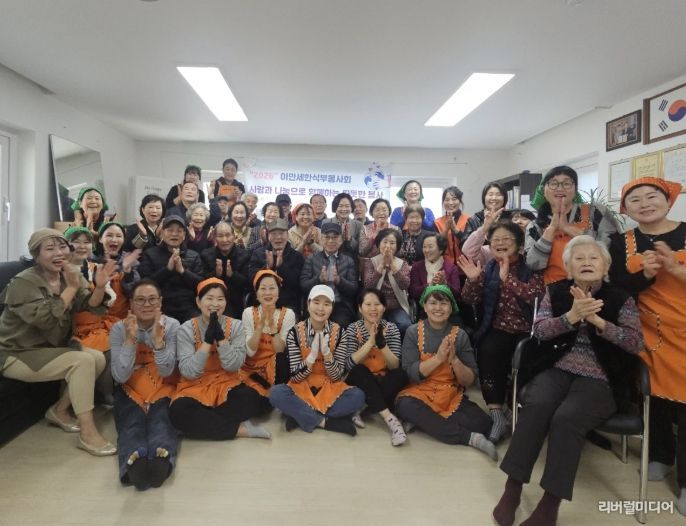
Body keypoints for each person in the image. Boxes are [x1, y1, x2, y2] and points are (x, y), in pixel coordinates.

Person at [493, 236, 643, 526]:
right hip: (556, 368)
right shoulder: (556, 292)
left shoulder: (621, 298)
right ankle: (512, 488)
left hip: (602, 377)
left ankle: (550, 505)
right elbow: (539, 332)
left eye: (594, 258)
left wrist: (600, 322)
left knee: (567, 418)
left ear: (606, 266)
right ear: (569, 267)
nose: (586, 262)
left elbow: (635, 343)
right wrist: (571, 317)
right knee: (537, 405)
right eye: (579, 258)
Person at [0, 229, 117, 456]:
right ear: (36, 255)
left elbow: (89, 305)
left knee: (97, 358)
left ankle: (59, 410)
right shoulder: (23, 283)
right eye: (50, 249)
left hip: (50, 348)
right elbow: (45, 320)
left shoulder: (69, 274)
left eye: (62, 247)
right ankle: (88, 432)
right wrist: (71, 288)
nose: (59, 253)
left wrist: (100, 286)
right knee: (83, 361)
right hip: (16, 351)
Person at [609, 176, 686, 516]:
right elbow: (618, 286)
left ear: (668, 200)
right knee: (653, 396)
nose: (644, 203)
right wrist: (646, 275)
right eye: (635, 199)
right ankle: (660, 454)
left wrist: (676, 271)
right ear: (626, 209)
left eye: (652, 196)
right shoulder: (620, 241)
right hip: (648, 329)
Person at [457, 220, 544, 444]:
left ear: (519, 244)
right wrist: (473, 280)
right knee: (487, 352)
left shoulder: (531, 268)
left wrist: (509, 280)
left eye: (506, 239)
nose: (500, 243)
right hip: (497, 327)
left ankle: (518, 413)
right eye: (495, 239)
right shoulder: (490, 267)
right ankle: (497, 416)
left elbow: (537, 297)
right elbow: (469, 299)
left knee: (526, 363)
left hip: (527, 331)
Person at [395, 285, 495, 459]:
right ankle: (470, 438)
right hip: (420, 392)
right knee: (404, 405)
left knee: (483, 423)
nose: (438, 308)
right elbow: (410, 373)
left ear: (452, 308)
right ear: (425, 307)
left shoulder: (460, 335)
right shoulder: (413, 332)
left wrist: (454, 360)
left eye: (444, 303)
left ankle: (424, 422)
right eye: (433, 303)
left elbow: (469, 380)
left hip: (449, 394)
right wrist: (438, 359)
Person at [169, 278, 270, 440]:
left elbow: (233, 366)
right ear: (198, 302)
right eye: (209, 298)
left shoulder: (236, 326)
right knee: (178, 412)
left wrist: (221, 340)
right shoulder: (185, 329)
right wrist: (207, 342)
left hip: (227, 382)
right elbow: (189, 372)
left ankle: (202, 424)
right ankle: (239, 429)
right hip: (195, 385)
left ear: (226, 302)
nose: (215, 304)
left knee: (250, 399)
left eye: (220, 299)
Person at [109, 279, 180, 490]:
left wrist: (158, 342)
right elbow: (120, 375)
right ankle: (133, 462)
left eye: (152, 299)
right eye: (140, 300)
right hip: (129, 387)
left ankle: (161, 459)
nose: (146, 304)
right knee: (131, 420)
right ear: (131, 303)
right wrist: (130, 340)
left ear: (160, 302)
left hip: (163, 385)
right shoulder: (119, 328)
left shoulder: (172, 326)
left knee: (162, 419)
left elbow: (167, 370)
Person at [269, 285, 365, 435]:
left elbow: (337, 377)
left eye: (326, 304)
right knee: (276, 393)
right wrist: (311, 357)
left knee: (358, 396)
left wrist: (327, 355)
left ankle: (300, 415)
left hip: (329, 387)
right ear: (308, 304)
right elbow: (295, 376)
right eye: (316, 302)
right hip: (302, 386)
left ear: (332, 307)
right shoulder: (295, 332)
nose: (321, 308)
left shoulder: (340, 333)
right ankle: (325, 422)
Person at [72, 222, 141, 404]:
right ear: (100, 239)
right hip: (89, 320)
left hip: (115, 317)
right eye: (109, 235)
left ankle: (117, 387)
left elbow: (134, 293)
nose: (114, 239)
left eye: (118, 236)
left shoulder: (130, 262)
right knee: (108, 345)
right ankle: (103, 391)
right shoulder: (88, 262)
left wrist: (127, 272)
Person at [526, 166, 620, 285]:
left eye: (567, 183)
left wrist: (567, 228)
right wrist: (550, 230)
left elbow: (613, 249)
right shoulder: (535, 225)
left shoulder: (595, 212)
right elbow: (533, 264)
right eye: (553, 184)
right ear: (543, 191)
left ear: (575, 190)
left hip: (596, 287)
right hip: (554, 289)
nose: (560, 188)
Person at [343, 289, 408, 446]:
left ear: (384, 307)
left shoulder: (392, 328)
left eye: (377, 304)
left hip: (382, 379)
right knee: (358, 371)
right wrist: (370, 343)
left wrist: (382, 344)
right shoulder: (352, 329)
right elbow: (349, 365)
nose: (373, 309)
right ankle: (391, 421)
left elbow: (394, 366)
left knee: (400, 375)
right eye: (368, 304)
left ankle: (362, 407)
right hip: (360, 380)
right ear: (360, 308)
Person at [241, 270, 296, 411]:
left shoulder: (288, 314)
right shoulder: (248, 313)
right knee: (258, 406)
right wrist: (259, 327)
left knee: (283, 359)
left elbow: (280, 351)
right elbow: (250, 352)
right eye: (263, 289)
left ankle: (277, 395)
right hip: (252, 366)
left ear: (278, 292)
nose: (267, 293)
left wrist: (273, 328)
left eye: (272, 288)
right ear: (256, 293)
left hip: (274, 365)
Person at [138, 215, 204, 323]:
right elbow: (145, 284)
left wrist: (183, 271)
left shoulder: (194, 255)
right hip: (160, 307)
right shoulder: (150, 254)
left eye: (179, 231)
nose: (174, 234)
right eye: (170, 230)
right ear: (162, 233)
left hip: (189, 307)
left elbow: (201, 285)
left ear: (184, 235)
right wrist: (167, 269)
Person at [300, 222, 358, 327]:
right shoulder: (312, 259)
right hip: (316, 303)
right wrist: (318, 280)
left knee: (341, 325)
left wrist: (339, 281)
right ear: (321, 239)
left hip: (339, 305)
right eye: (327, 237)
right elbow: (303, 286)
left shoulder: (348, 260)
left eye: (335, 237)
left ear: (341, 240)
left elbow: (353, 289)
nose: (331, 241)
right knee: (310, 326)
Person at [248, 218, 304, 316]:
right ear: (268, 236)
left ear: (287, 235)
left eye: (281, 233)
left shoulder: (297, 256)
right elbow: (250, 281)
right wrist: (267, 268)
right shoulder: (258, 253)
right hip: (262, 303)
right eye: (273, 234)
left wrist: (281, 266)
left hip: (288, 305)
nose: (278, 237)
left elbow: (297, 284)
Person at [361, 228, 412, 335]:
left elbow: (405, 285)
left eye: (392, 243)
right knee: (375, 328)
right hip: (375, 306)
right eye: (385, 242)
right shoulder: (370, 262)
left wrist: (392, 265)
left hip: (396, 307)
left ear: (397, 246)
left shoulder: (403, 264)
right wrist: (381, 265)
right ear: (378, 244)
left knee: (405, 325)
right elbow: (368, 286)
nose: (388, 246)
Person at [200, 221, 250, 319]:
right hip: (211, 300)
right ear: (215, 238)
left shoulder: (244, 255)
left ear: (234, 236)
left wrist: (232, 275)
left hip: (234, 301)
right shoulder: (205, 255)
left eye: (228, 235)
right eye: (220, 236)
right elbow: (201, 282)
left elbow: (248, 284)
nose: (224, 239)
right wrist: (216, 275)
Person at [409, 233, 460, 303]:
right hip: (423, 307)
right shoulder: (416, 267)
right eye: (424, 247)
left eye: (430, 247)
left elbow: (457, 294)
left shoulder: (451, 268)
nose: (426, 250)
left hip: (446, 306)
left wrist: (445, 284)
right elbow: (413, 293)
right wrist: (430, 285)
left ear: (441, 250)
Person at [434, 186, 470, 265]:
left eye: (454, 199)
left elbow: (471, 244)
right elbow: (435, 247)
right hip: (445, 266)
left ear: (460, 201)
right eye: (447, 200)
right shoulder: (437, 222)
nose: (450, 203)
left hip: (466, 266)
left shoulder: (469, 220)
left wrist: (456, 230)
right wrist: (445, 231)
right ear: (443, 202)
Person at [322, 193, 363, 260]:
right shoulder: (326, 222)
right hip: (330, 259)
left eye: (347, 206)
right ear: (335, 207)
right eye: (340, 206)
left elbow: (359, 248)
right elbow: (324, 244)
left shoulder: (358, 225)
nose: (344, 209)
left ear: (351, 208)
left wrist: (350, 239)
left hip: (351, 260)